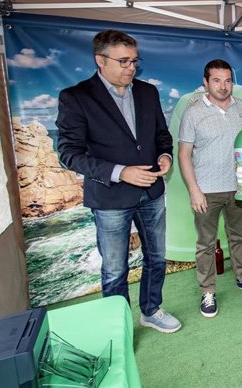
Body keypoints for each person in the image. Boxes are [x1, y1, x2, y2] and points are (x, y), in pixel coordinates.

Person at [56, 30, 181, 333]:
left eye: (134, 61)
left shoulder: (147, 92)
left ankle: (150, 311)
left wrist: (166, 156)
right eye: (123, 61)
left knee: (156, 257)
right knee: (114, 269)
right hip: (110, 197)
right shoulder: (76, 97)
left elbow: (161, 136)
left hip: (152, 192)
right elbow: (69, 153)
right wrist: (120, 172)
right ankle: (118, 325)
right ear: (100, 60)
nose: (131, 68)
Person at [178, 59, 242, 319]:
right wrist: (194, 189)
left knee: (238, 236)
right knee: (206, 243)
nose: (223, 86)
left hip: (239, 188)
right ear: (206, 82)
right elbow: (184, 154)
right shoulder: (193, 111)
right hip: (206, 190)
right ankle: (208, 291)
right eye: (216, 80)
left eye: (228, 80)